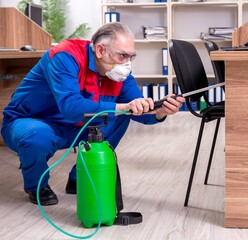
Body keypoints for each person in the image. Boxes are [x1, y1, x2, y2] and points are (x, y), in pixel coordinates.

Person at [1, 22, 184, 206]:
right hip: (30, 121)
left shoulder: (118, 73)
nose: (127, 63)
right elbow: (71, 107)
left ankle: (79, 177)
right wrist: (122, 107)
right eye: (122, 55)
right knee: (38, 136)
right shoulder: (65, 56)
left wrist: (160, 110)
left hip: (74, 126)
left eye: (131, 57)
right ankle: (37, 185)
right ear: (100, 50)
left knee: (120, 118)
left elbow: (137, 110)